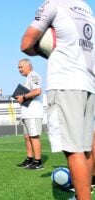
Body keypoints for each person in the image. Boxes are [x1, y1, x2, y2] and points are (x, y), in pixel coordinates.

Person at [21, 0, 95, 199]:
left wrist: (46, 50)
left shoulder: (53, 4)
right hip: (88, 83)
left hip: (65, 82)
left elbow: (26, 44)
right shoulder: (87, 9)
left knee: (73, 150)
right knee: (86, 148)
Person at [15, 59, 44, 170]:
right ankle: (29, 159)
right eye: (18, 68)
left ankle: (38, 162)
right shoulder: (28, 78)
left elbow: (37, 91)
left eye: (21, 67)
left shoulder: (33, 75)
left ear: (29, 66)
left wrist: (24, 97)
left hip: (33, 112)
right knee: (27, 137)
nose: (19, 69)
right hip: (27, 112)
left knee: (33, 136)